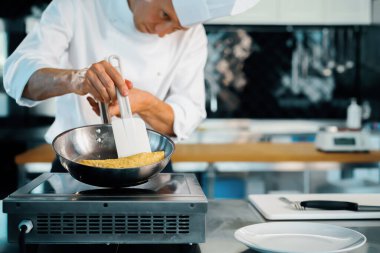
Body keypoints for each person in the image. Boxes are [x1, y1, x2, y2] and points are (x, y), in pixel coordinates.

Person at [3, 0, 261, 172]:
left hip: (151, 170)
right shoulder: (79, 5)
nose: (163, 31)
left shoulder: (192, 36)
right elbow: (17, 74)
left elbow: (189, 115)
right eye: (164, 14)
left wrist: (146, 104)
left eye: (176, 27)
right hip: (75, 168)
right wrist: (77, 79)